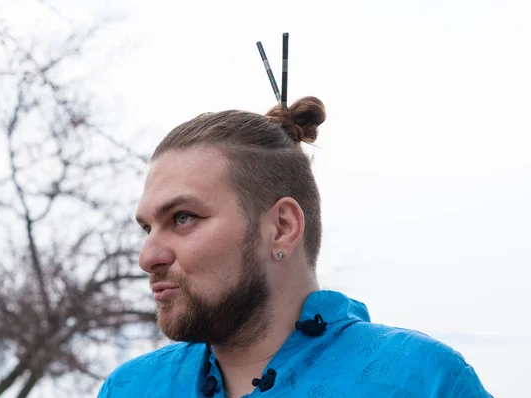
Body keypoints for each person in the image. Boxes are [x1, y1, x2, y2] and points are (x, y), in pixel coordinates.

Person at [97, 97, 492, 397]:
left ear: (282, 228)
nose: (148, 257)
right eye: (147, 228)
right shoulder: (130, 388)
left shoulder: (420, 381)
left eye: (182, 218)